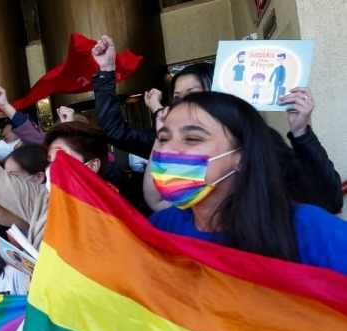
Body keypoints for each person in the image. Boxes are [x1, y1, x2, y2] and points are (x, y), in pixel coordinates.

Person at [91, 35, 343, 214]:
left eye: (193, 94)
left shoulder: (256, 140)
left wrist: (300, 132)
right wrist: (106, 71)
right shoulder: (170, 144)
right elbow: (115, 131)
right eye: (177, 98)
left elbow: (329, 199)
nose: (184, 105)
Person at [148, 92, 347, 276]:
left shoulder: (310, 230)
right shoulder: (158, 228)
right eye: (164, 138)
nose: (168, 150)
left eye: (192, 138)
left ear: (242, 158)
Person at [0, 89, 124, 247]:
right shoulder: (42, 200)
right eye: (50, 160)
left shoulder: (115, 215)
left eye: (63, 157)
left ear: (92, 165)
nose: (54, 167)